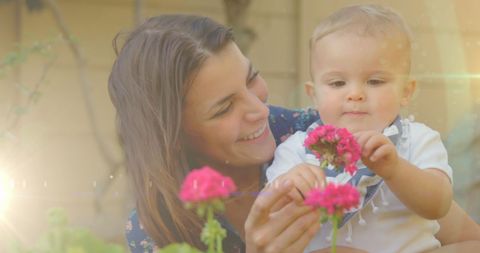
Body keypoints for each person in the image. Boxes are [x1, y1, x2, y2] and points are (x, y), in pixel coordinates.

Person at [108, 14, 480, 253]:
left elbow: (468, 238)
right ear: (176, 136)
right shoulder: (156, 230)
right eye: (224, 107)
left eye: (252, 78)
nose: (259, 110)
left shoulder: (318, 133)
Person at [264, 4, 475, 253]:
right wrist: (289, 186)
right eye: (337, 82)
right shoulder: (298, 149)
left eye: (375, 81)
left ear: (406, 91)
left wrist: (395, 169)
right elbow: (269, 219)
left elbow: (438, 206)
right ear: (314, 94)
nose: (355, 94)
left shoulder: (417, 139)